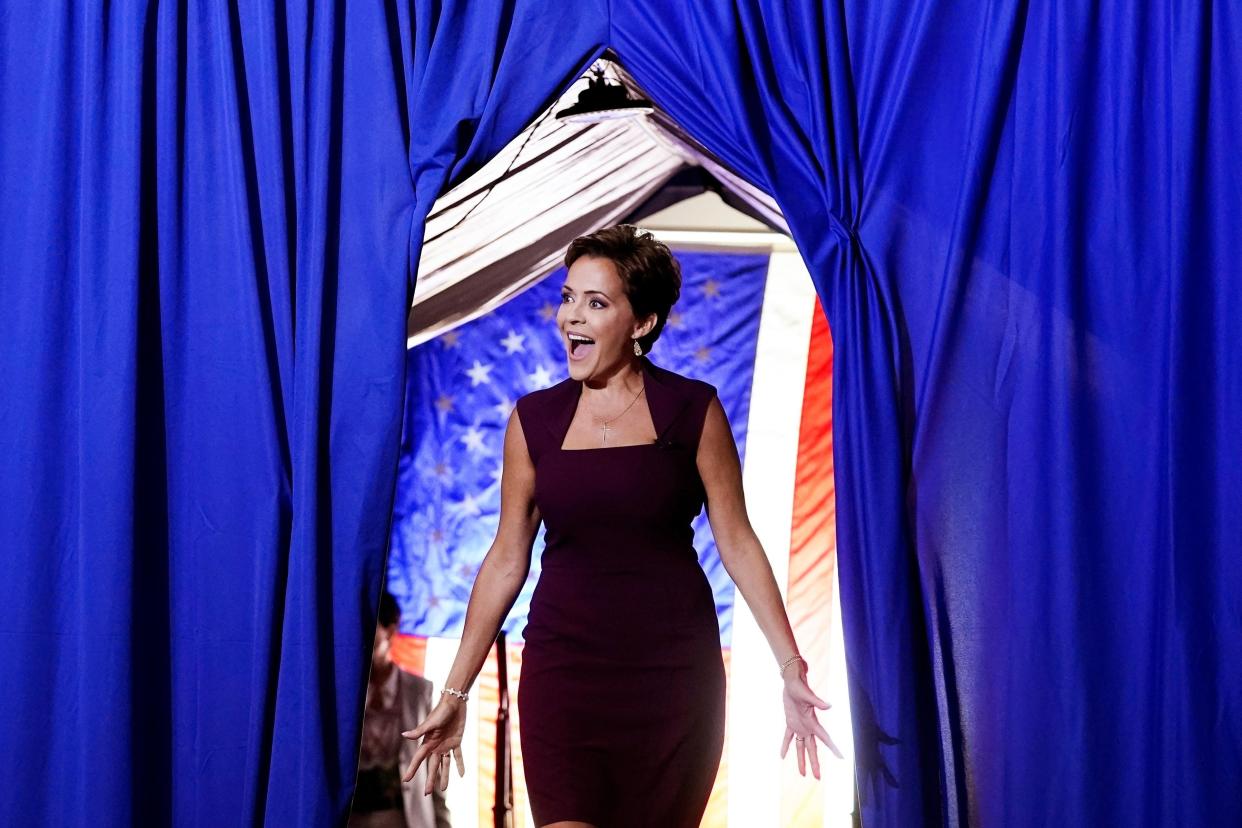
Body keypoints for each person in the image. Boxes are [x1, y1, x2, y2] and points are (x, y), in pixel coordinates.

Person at [402, 225, 840, 828]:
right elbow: (506, 559)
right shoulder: (533, 421)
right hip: (566, 676)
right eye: (567, 297)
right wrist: (454, 694)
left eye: (596, 303)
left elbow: (737, 541)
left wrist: (792, 670)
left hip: (673, 679)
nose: (570, 317)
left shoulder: (693, 410)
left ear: (642, 324)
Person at [350, 592, 451, 828]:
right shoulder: (341, 694)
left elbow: (432, 768)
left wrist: (442, 823)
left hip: (404, 818)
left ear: (391, 630)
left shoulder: (419, 690)